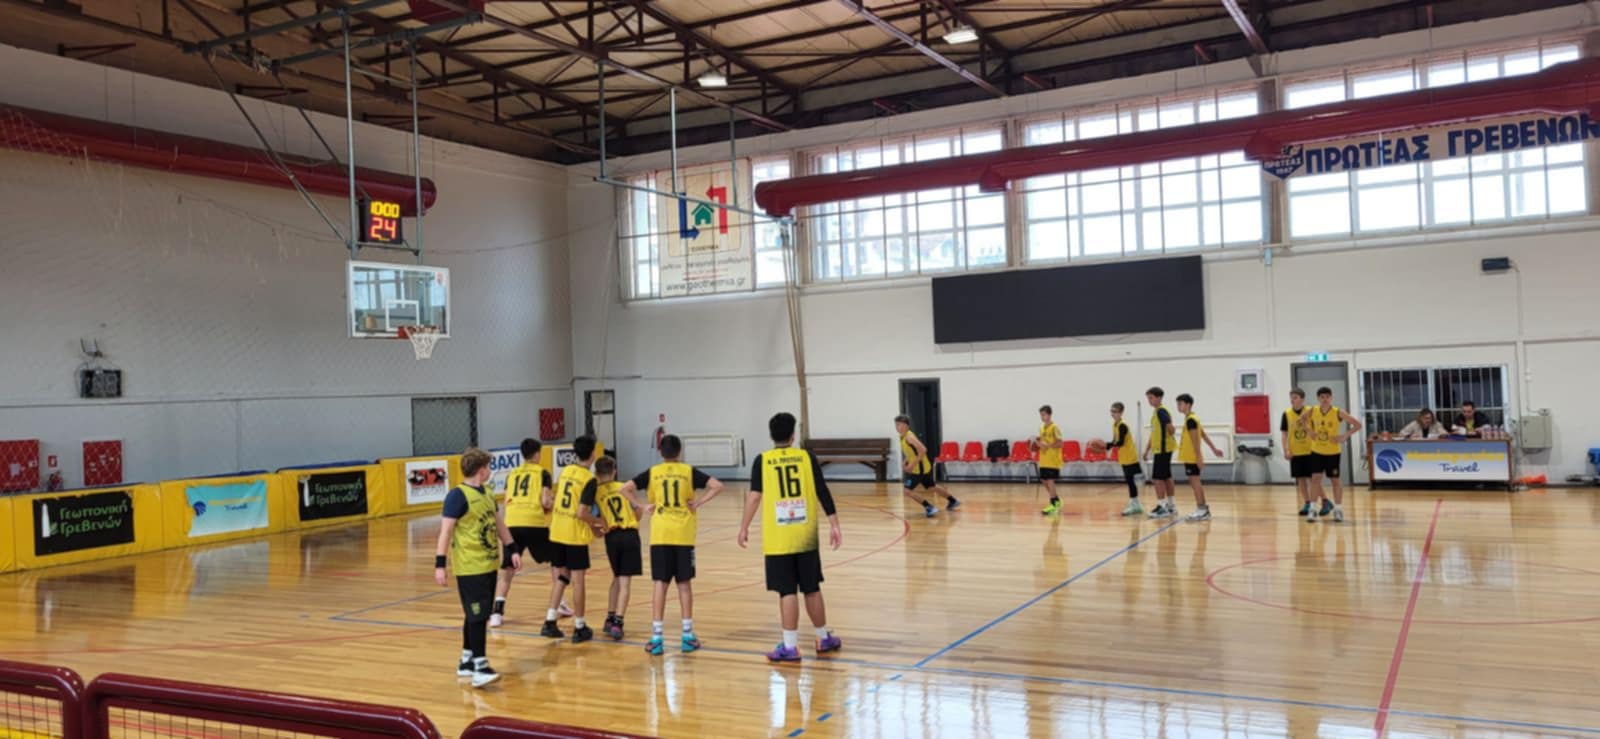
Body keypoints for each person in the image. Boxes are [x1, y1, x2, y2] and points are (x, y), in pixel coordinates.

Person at [738, 412, 844, 663]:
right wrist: (834, 523)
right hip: (805, 534)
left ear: (771, 435)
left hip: (779, 538)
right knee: (812, 588)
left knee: (787, 591)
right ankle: (822, 638)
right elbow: (821, 490)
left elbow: (754, 497)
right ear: (793, 435)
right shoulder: (807, 457)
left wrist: (743, 527)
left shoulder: (762, 460)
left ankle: (789, 646)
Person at [619, 434, 725, 656]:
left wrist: (642, 505)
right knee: (684, 584)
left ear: (661, 452)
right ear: (680, 451)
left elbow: (625, 488)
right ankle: (687, 636)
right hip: (683, 535)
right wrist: (698, 502)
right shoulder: (688, 471)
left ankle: (657, 637)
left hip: (660, 534)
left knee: (660, 584)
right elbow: (717, 486)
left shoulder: (653, 472)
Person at [434, 448, 521, 688]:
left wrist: (512, 548)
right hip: (470, 567)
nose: (490, 471)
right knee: (478, 615)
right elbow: (446, 532)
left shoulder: (487, 493)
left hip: (488, 563)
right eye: (488, 467)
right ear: (481, 470)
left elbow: (499, 523)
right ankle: (480, 666)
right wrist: (440, 565)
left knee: (475, 614)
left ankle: (466, 661)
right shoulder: (457, 496)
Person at [491, 439, 571, 628]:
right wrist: (553, 503)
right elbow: (545, 501)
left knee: (507, 568)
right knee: (556, 561)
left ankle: (497, 613)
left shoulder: (512, 474)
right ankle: (559, 603)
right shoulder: (542, 473)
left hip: (512, 522)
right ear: (536, 454)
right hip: (534, 522)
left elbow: (506, 499)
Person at [543, 435, 603, 643]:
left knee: (562, 576)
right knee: (578, 580)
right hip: (574, 534)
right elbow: (581, 512)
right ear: (593, 454)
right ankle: (579, 626)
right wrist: (598, 523)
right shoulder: (589, 479)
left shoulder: (566, 471)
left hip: (557, 530)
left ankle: (550, 620)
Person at [593, 456, 640, 641]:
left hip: (611, 537)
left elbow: (595, 515)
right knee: (625, 582)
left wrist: (597, 528)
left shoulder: (596, 492)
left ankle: (610, 617)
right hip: (628, 534)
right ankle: (618, 622)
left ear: (597, 474)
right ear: (614, 471)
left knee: (616, 577)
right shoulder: (624, 487)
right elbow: (638, 511)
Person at [1305, 387, 1362, 523]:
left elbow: (1357, 425)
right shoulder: (1313, 410)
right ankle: (1312, 509)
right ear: (1318, 398)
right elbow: (1301, 420)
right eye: (1322, 397)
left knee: (1335, 480)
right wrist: (1309, 431)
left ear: (1331, 398)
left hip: (1332, 452)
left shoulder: (1338, 412)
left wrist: (1344, 436)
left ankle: (1338, 509)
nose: (1325, 399)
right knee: (1315, 479)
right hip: (1316, 451)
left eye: (1327, 397)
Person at [1176, 394, 1224, 522]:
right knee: (1194, 483)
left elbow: (1195, 439)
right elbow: (1203, 434)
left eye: (1180, 404)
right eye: (1177, 404)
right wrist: (1214, 449)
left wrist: (1198, 457)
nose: (1178, 406)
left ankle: (1201, 509)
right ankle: (1202, 509)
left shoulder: (1191, 420)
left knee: (1195, 483)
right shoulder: (1192, 418)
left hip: (1192, 457)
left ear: (1188, 404)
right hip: (1190, 457)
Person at [1143, 387, 1179, 519]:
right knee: (1167, 477)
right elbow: (1154, 434)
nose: (1149, 400)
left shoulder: (1161, 412)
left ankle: (1162, 506)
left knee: (1158, 479)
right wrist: (1147, 450)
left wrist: (1170, 431)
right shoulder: (1156, 413)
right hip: (1163, 449)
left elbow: (1171, 429)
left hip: (1163, 449)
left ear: (1159, 398)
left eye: (1151, 398)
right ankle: (1171, 505)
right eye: (1148, 398)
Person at [1280, 389, 1316, 517]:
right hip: (1295, 451)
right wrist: (1286, 449)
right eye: (1291, 397)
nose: (1292, 400)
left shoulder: (1310, 411)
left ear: (1302, 399)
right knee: (1301, 479)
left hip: (1311, 450)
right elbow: (1284, 434)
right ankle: (1307, 503)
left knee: (1313, 479)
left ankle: (1317, 503)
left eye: (1295, 397)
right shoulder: (1286, 413)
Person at [1109, 403, 1142, 516]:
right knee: (1129, 481)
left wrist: (1107, 445)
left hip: (1129, 456)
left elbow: (1120, 442)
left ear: (1121, 413)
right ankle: (1135, 503)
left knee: (1130, 481)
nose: (1113, 414)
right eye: (1112, 411)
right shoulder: (1115, 425)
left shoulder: (1122, 425)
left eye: (1115, 411)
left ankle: (1135, 504)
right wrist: (1107, 445)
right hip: (1124, 457)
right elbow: (1115, 441)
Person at [1035, 406, 1066, 516]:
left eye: (1044, 414)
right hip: (1044, 459)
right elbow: (1042, 443)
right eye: (1041, 415)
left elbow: (1060, 443)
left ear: (1049, 414)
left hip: (1053, 459)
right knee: (1043, 480)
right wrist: (1036, 444)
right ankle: (1056, 500)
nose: (1042, 417)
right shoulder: (1041, 428)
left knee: (1050, 480)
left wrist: (1048, 445)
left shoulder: (1054, 428)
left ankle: (1053, 504)